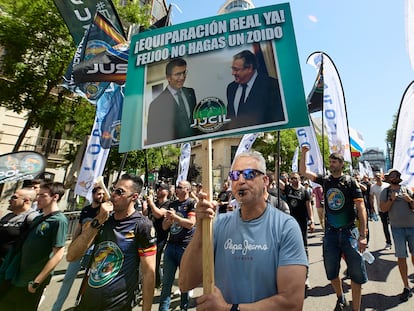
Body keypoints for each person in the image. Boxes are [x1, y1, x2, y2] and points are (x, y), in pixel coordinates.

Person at [179, 151, 308, 310]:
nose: (240, 180)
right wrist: (200, 229)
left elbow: (292, 303)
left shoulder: (286, 227)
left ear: (265, 181)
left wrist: (229, 308)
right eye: (234, 175)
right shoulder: (218, 225)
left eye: (248, 174)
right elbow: (185, 283)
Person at [67, 174, 156, 311]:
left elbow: (148, 273)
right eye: (113, 189)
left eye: (120, 192)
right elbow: (72, 256)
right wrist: (97, 221)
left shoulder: (142, 226)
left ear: (134, 197)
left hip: (117, 305)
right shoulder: (102, 220)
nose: (113, 194)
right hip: (87, 303)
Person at [299, 145, 368, 311]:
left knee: (356, 274)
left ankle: (356, 308)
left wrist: (363, 234)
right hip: (330, 234)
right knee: (331, 272)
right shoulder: (326, 180)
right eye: (330, 161)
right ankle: (340, 296)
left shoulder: (351, 182)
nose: (331, 164)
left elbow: (361, 208)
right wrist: (304, 153)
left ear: (341, 164)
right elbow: (303, 172)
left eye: (334, 161)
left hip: (349, 232)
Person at [0, 182, 68, 310]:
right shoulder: (39, 218)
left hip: (32, 280)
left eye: (43, 195)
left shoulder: (59, 220)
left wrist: (37, 281)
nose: (38, 199)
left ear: (55, 197)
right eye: (38, 195)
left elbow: (58, 253)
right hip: (18, 276)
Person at [52, 185, 108, 311]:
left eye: (102, 194)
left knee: (88, 281)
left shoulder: (103, 211)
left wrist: (103, 187)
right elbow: (78, 227)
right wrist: (73, 243)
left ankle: (82, 305)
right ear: (93, 195)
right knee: (68, 278)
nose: (101, 196)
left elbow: (110, 203)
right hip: (80, 247)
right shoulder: (86, 210)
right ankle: (57, 307)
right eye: (98, 194)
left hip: (93, 250)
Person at [158, 180, 196, 311]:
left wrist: (175, 218)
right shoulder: (172, 204)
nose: (177, 189)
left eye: (180, 187)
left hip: (185, 247)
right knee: (167, 282)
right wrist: (168, 220)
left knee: (184, 282)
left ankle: (183, 307)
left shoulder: (191, 203)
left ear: (187, 189)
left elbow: (191, 223)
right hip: (171, 246)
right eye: (177, 187)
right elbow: (164, 227)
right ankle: (163, 308)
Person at [226, 49, 285, 129]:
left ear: (249, 68)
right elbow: (230, 117)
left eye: (236, 69)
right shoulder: (231, 88)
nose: (233, 73)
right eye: (232, 69)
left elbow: (277, 119)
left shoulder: (272, 85)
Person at [379, 168, 414, 303]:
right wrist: (391, 200)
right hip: (397, 229)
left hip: (412, 227)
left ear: (399, 177)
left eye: (396, 175)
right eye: (391, 176)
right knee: (401, 257)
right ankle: (406, 286)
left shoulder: (407, 189)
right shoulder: (385, 191)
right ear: (388, 179)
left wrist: (409, 199)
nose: (394, 177)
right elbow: (383, 209)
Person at [147, 57, 198, 144]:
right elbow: (153, 138)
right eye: (178, 74)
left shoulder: (190, 92)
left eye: (184, 72)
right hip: (173, 152)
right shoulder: (156, 105)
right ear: (168, 77)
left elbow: (195, 121)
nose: (182, 77)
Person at [279, 172, 314, 287]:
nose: (294, 180)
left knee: (303, 248)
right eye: (292, 178)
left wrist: (312, 221)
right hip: (289, 224)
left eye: (296, 178)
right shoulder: (288, 189)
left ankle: (305, 276)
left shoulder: (305, 191)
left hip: (302, 223)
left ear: (300, 179)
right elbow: (276, 179)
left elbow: (309, 207)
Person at [0, 188, 39, 263]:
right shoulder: (8, 216)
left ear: (26, 201)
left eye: (14, 197)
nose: (9, 200)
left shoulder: (32, 218)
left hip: (12, 265)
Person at [144, 182, 171, 288]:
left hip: (161, 235)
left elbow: (159, 214)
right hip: (150, 234)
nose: (158, 190)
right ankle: (154, 281)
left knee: (156, 259)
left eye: (161, 189)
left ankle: (157, 283)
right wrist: (145, 203)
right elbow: (146, 213)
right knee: (149, 259)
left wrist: (151, 204)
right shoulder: (154, 202)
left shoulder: (168, 204)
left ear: (167, 192)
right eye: (158, 189)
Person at [370, 173, 391, 250]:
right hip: (381, 210)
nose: (378, 177)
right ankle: (388, 242)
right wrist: (372, 207)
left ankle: (397, 242)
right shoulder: (373, 187)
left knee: (393, 226)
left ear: (382, 177)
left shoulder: (387, 185)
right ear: (374, 178)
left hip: (391, 209)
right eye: (376, 176)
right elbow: (371, 197)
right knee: (385, 226)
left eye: (379, 176)